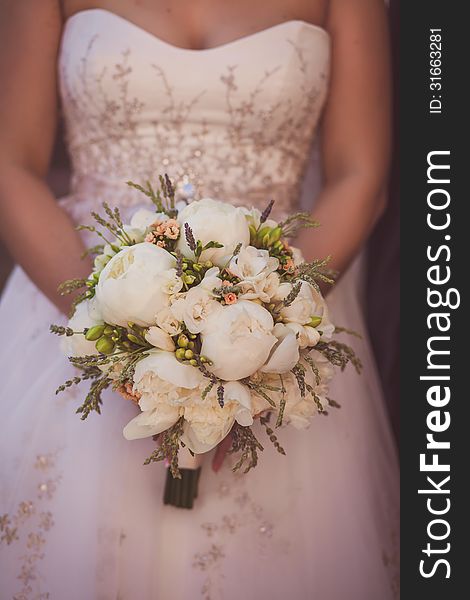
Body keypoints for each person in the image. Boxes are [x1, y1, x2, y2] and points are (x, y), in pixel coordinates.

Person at [0, 1, 399, 598]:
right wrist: (119, 334)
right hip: (69, 301)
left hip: (273, 321)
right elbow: (10, 165)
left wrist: (267, 329)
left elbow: (360, 176)